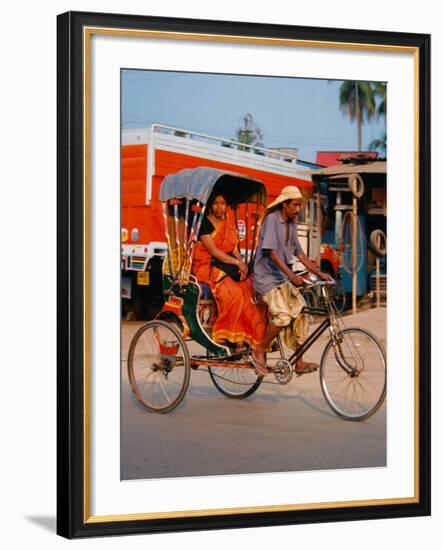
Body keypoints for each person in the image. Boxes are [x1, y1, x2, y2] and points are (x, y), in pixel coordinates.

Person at [251, 186, 332, 376]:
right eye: (294, 205)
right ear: (284, 204)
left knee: (301, 313)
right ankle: (259, 349)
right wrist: (292, 275)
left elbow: (301, 254)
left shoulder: (292, 223)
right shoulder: (272, 219)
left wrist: (321, 274)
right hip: (266, 279)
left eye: (299, 205)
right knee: (283, 316)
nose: (298, 209)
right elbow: (271, 252)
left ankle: (299, 362)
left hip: (281, 278)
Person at [192, 192, 266, 350]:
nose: (219, 207)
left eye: (223, 203)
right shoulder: (204, 223)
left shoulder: (229, 225)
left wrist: (243, 265)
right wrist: (237, 263)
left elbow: (235, 250)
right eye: (216, 203)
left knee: (248, 292)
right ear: (210, 206)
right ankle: (228, 336)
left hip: (226, 267)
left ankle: (245, 337)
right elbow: (213, 251)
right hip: (207, 267)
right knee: (234, 294)